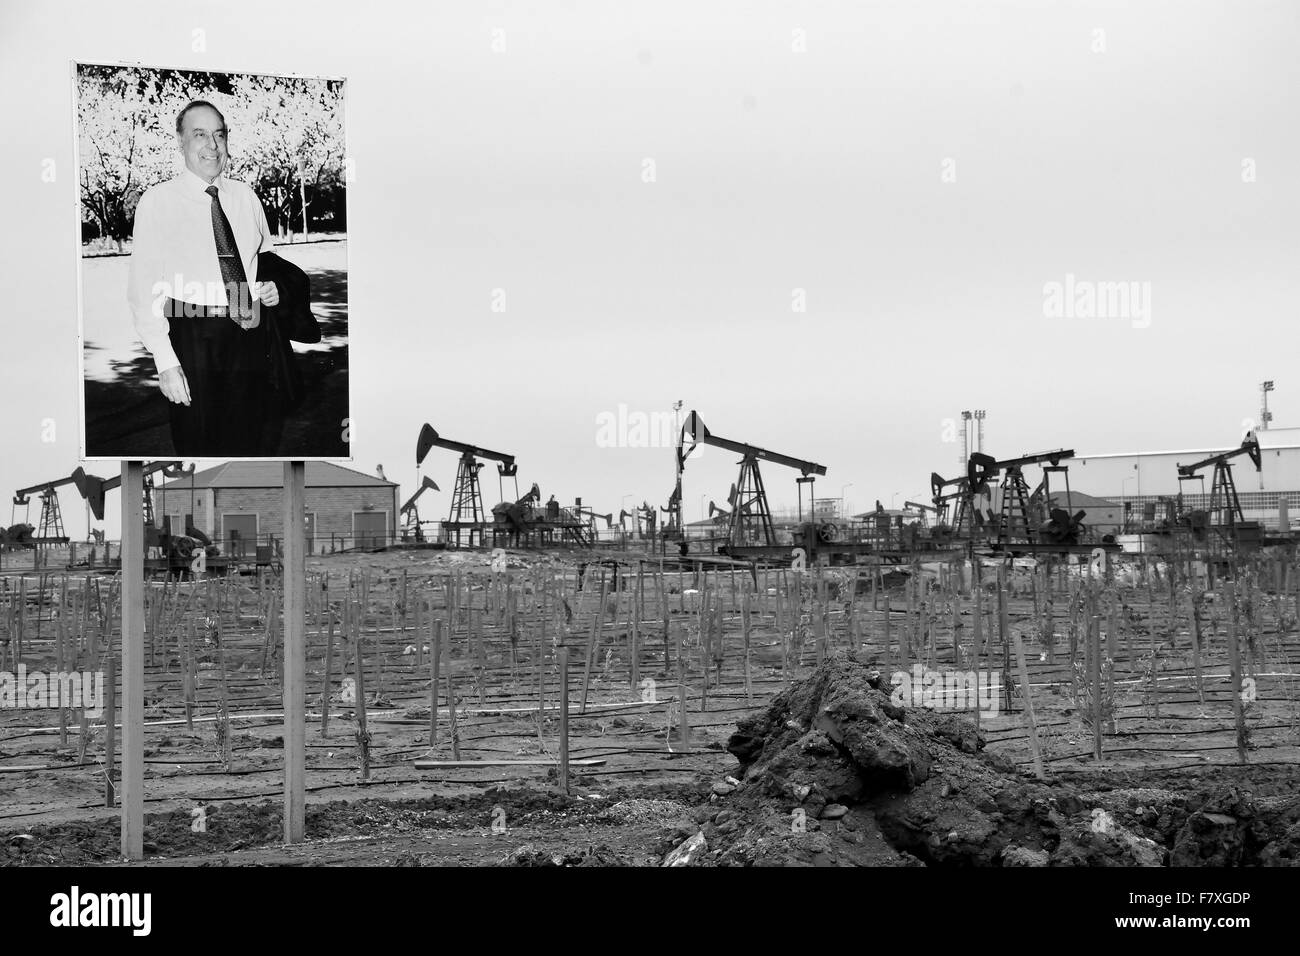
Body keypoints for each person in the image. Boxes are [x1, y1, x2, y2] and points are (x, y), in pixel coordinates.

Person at [127, 99, 278, 456]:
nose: (212, 146)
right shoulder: (158, 202)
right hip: (192, 336)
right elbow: (143, 290)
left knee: (250, 444)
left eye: (219, 135)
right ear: (180, 142)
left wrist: (273, 288)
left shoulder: (246, 198)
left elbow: (268, 262)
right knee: (199, 447)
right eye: (200, 135)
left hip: (249, 335)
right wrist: (165, 361)